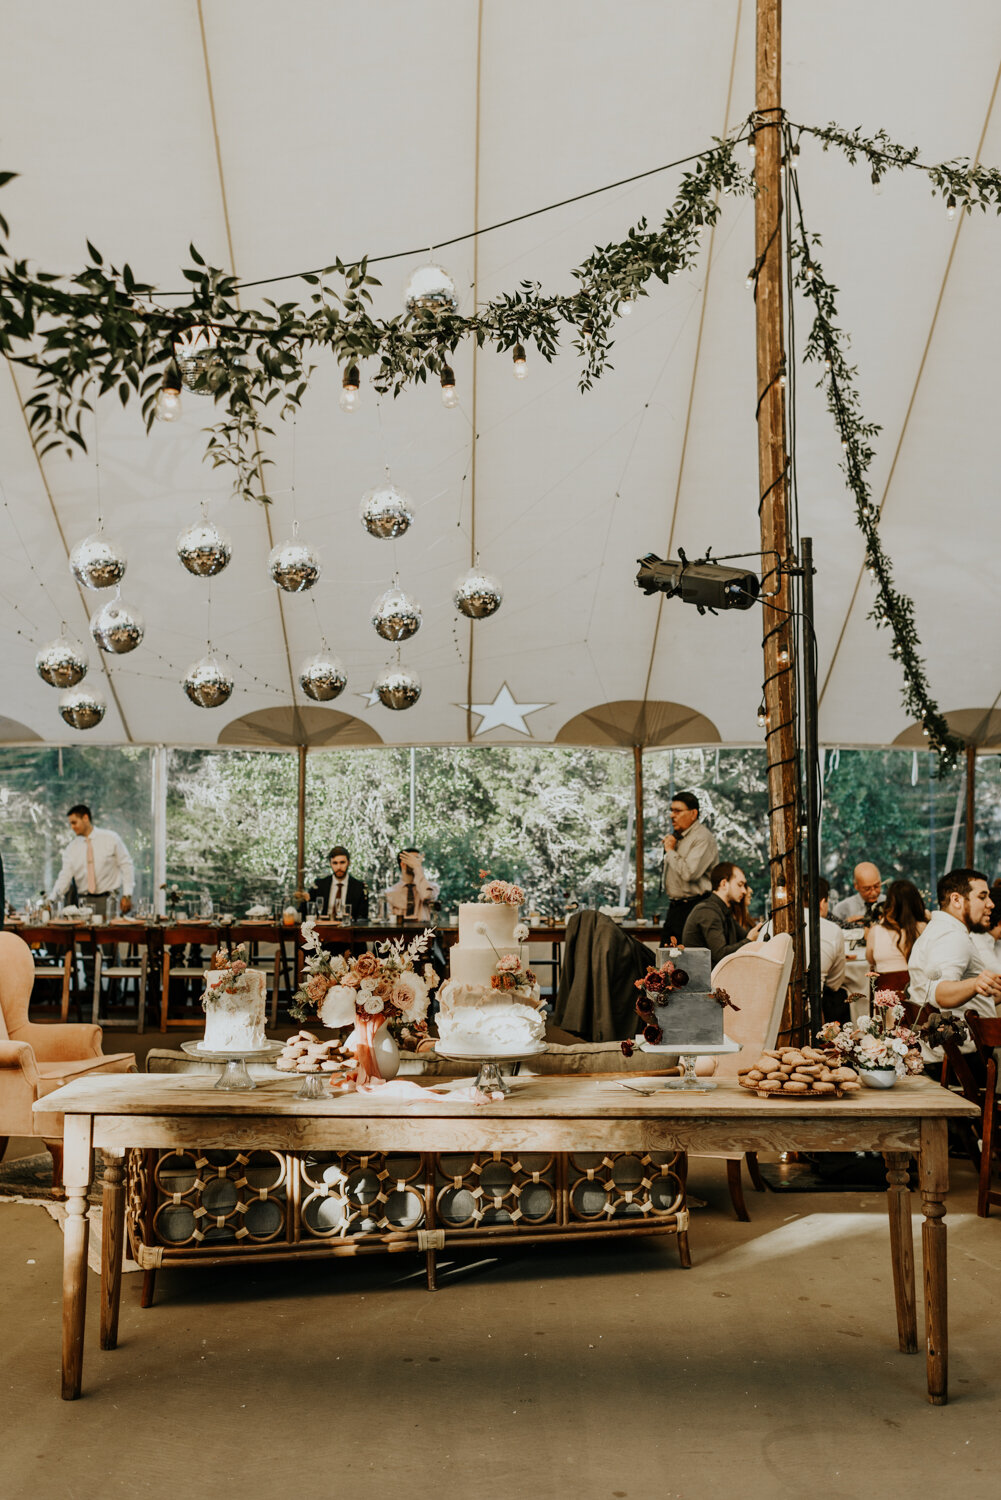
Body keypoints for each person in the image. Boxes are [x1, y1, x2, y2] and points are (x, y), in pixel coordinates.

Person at [907, 868, 1001, 1019]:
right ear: (956, 900)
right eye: (982, 897)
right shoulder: (951, 936)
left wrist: (982, 988)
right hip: (967, 1041)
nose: (991, 904)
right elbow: (939, 993)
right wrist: (975, 983)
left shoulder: (939, 929)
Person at [50, 804, 134, 917]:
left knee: (108, 934)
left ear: (85, 818)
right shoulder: (71, 848)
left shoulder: (111, 839)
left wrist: (127, 894)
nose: (72, 827)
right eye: (70, 824)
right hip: (83, 903)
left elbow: (126, 866)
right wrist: (51, 900)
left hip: (109, 901)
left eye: (74, 822)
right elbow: (64, 877)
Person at [660, 791, 719, 944]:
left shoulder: (702, 838)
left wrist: (670, 851)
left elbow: (689, 874)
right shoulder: (678, 837)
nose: (672, 816)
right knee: (664, 961)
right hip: (676, 908)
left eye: (678, 811)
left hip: (694, 908)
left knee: (687, 962)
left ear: (693, 814)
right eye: (671, 811)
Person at [681, 862, 763, 968]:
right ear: (724, 884)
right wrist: (749, 940)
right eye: (740, 885)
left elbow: (744, 935)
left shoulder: (723, 910)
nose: (744, 891)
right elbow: (720, 954)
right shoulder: (708, 911)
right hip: (704, 980)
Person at [866, 878, 927, 978]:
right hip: (918, 990)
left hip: (886, 992)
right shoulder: (924, 928)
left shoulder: (876, 931)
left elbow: (870, 960)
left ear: (889, 904)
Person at [310, 846, 368, 922]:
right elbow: (307, 910)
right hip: (323, 929)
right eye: (335, 863)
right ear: (330, 864)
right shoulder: (319, 885)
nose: (339, 867)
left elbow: (363, 917)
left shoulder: (359, 887)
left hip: (349, 930)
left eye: (342, 862)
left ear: (348, 863)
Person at [385, 848, 439, 923]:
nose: (417, 863)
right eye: (414, 860)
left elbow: (427, 896)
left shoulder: (431, 887)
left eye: (419, 861)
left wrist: (417, 868)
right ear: (403, 864)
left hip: (424, 932)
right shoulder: (390, 892)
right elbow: (387, 920)